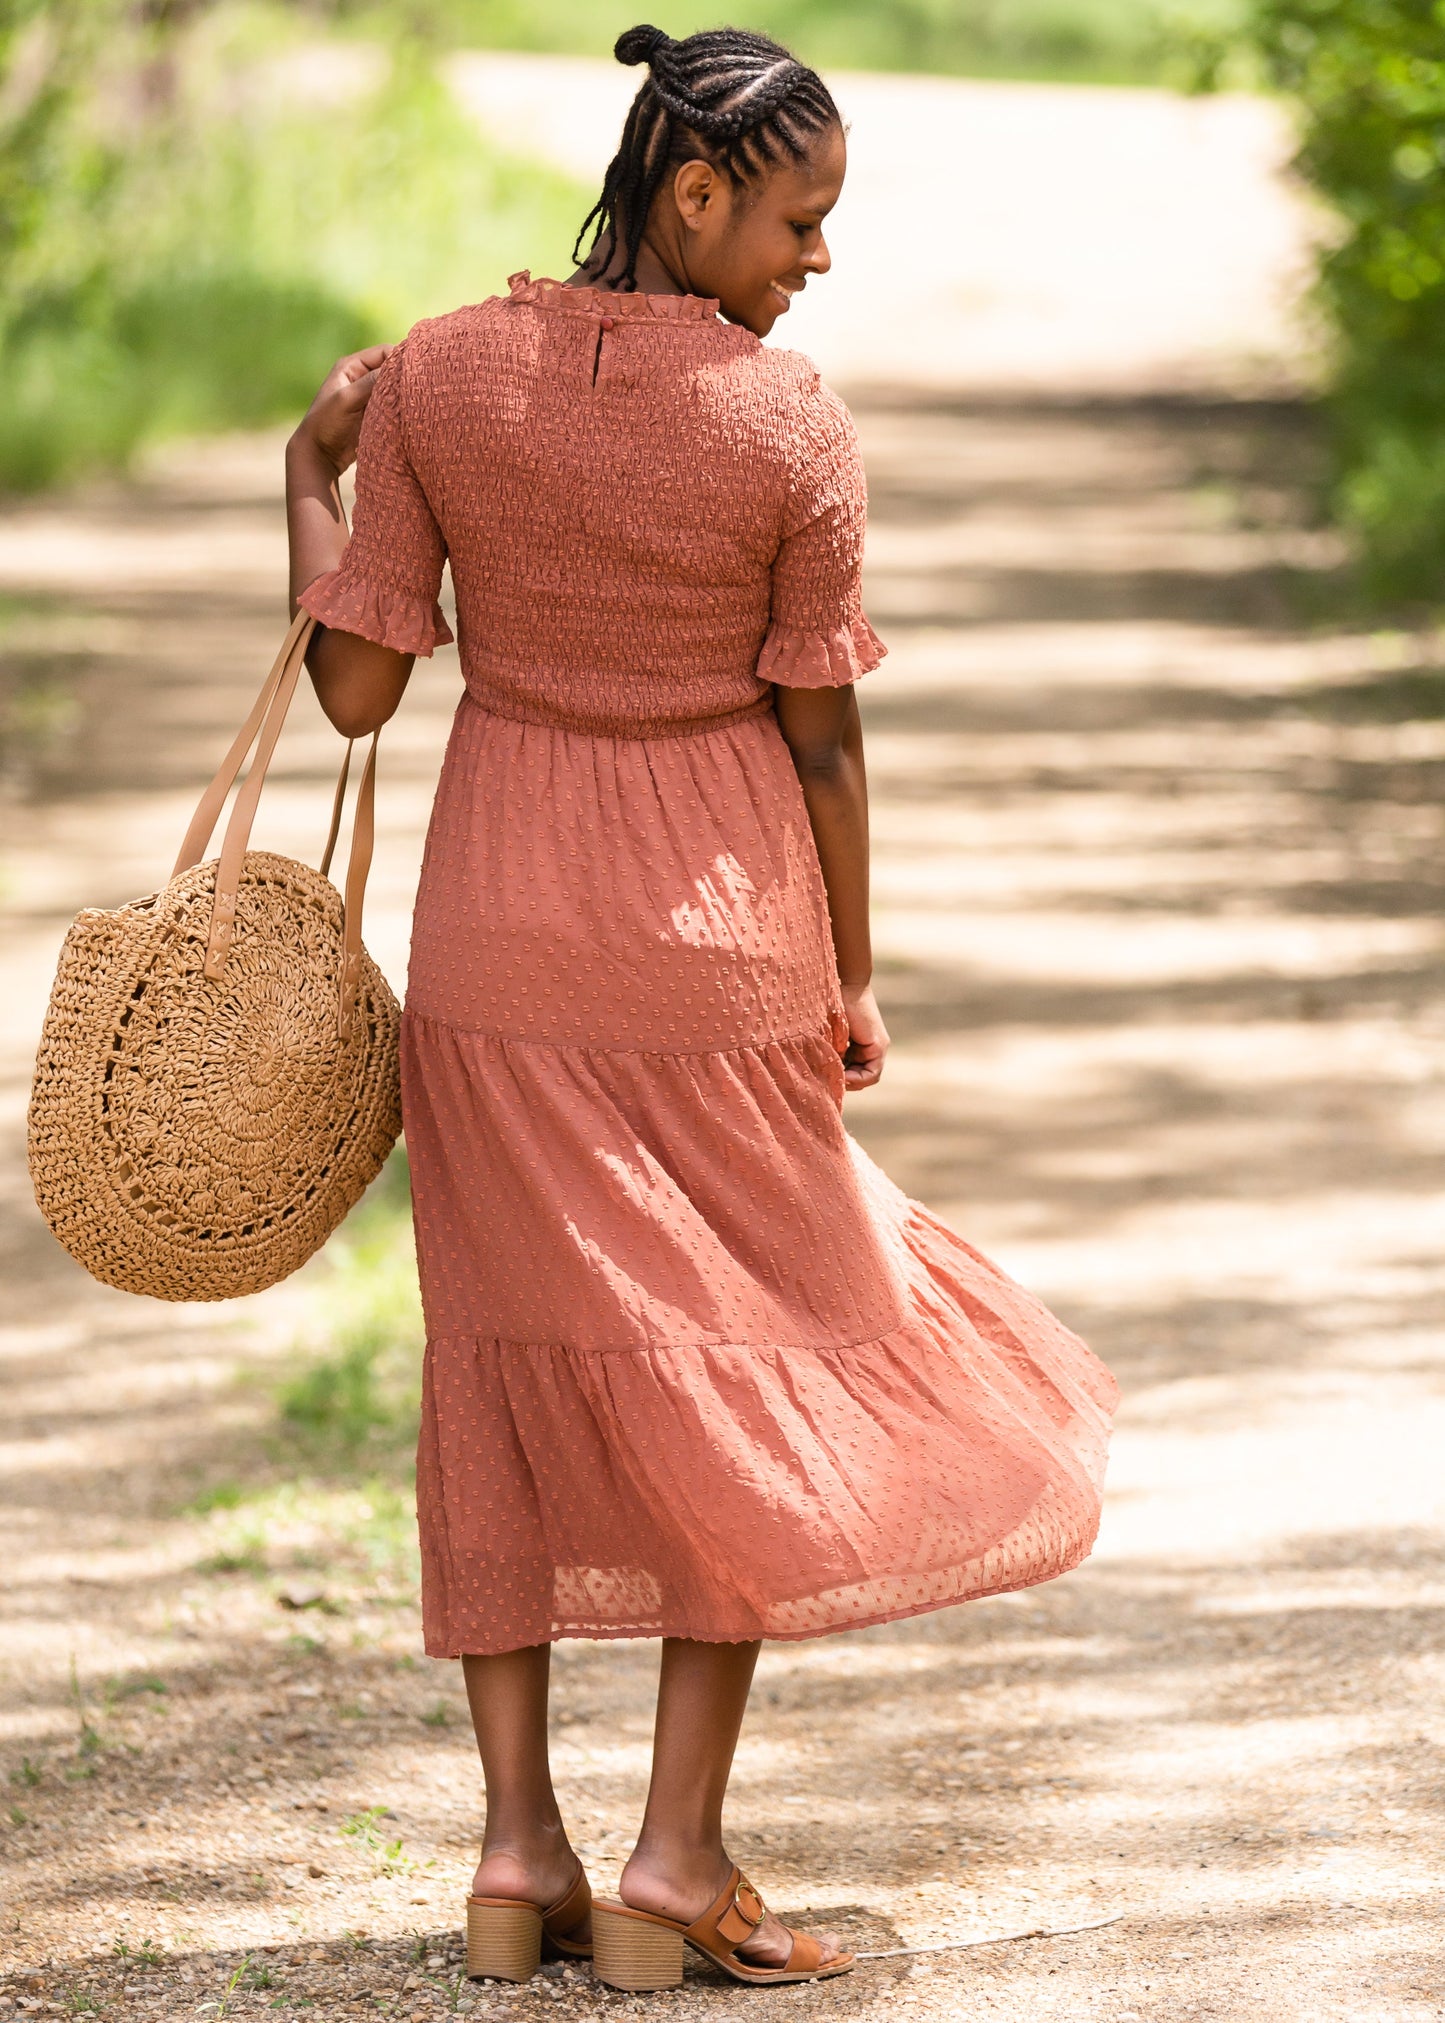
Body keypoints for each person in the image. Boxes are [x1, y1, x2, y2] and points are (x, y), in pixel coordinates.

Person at [284, 22, 1117, 1994]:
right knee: (730, 1363)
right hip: (714, 948)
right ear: (695, 192)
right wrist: (851, 974)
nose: (816, 260)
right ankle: (669, 1857)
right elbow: (823, 746)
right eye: (803, 220)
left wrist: (300, 475)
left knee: (496, 1351)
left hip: (495, 943)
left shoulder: (435, 378)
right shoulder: (786, 425)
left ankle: (515, 1850)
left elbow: (350, 697)